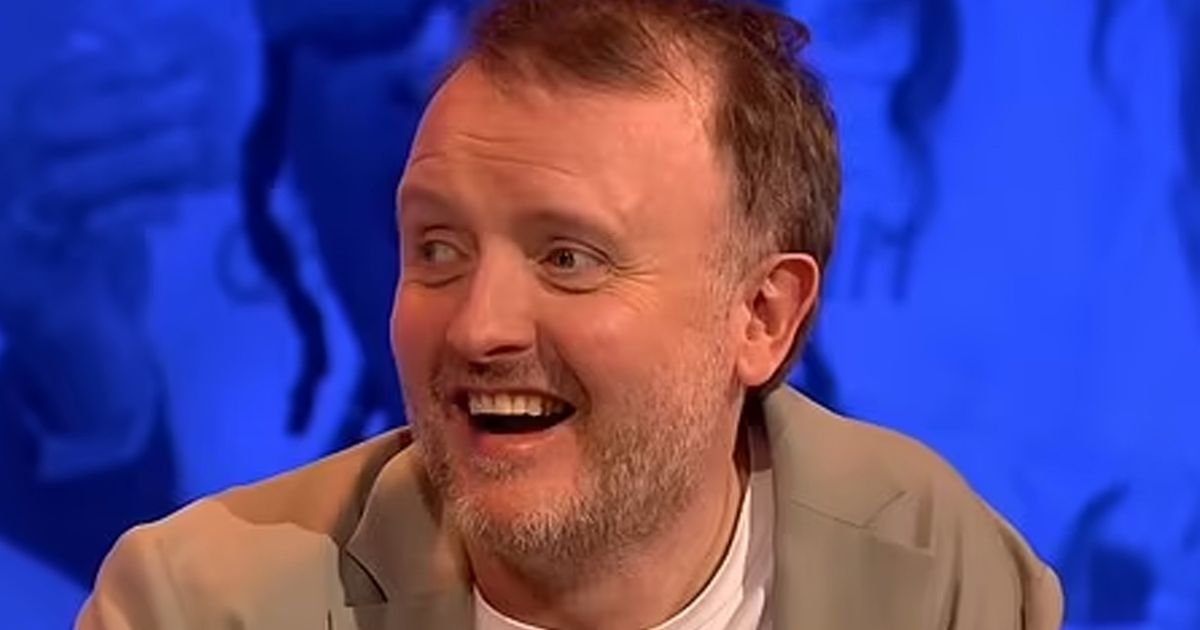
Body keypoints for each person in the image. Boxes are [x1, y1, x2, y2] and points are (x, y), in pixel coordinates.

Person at [78, 0, 1064, 628]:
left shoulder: (942, 574)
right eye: (438, 250)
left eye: (568, 259)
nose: (478, 329)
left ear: (762, 316)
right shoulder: (202, 605)